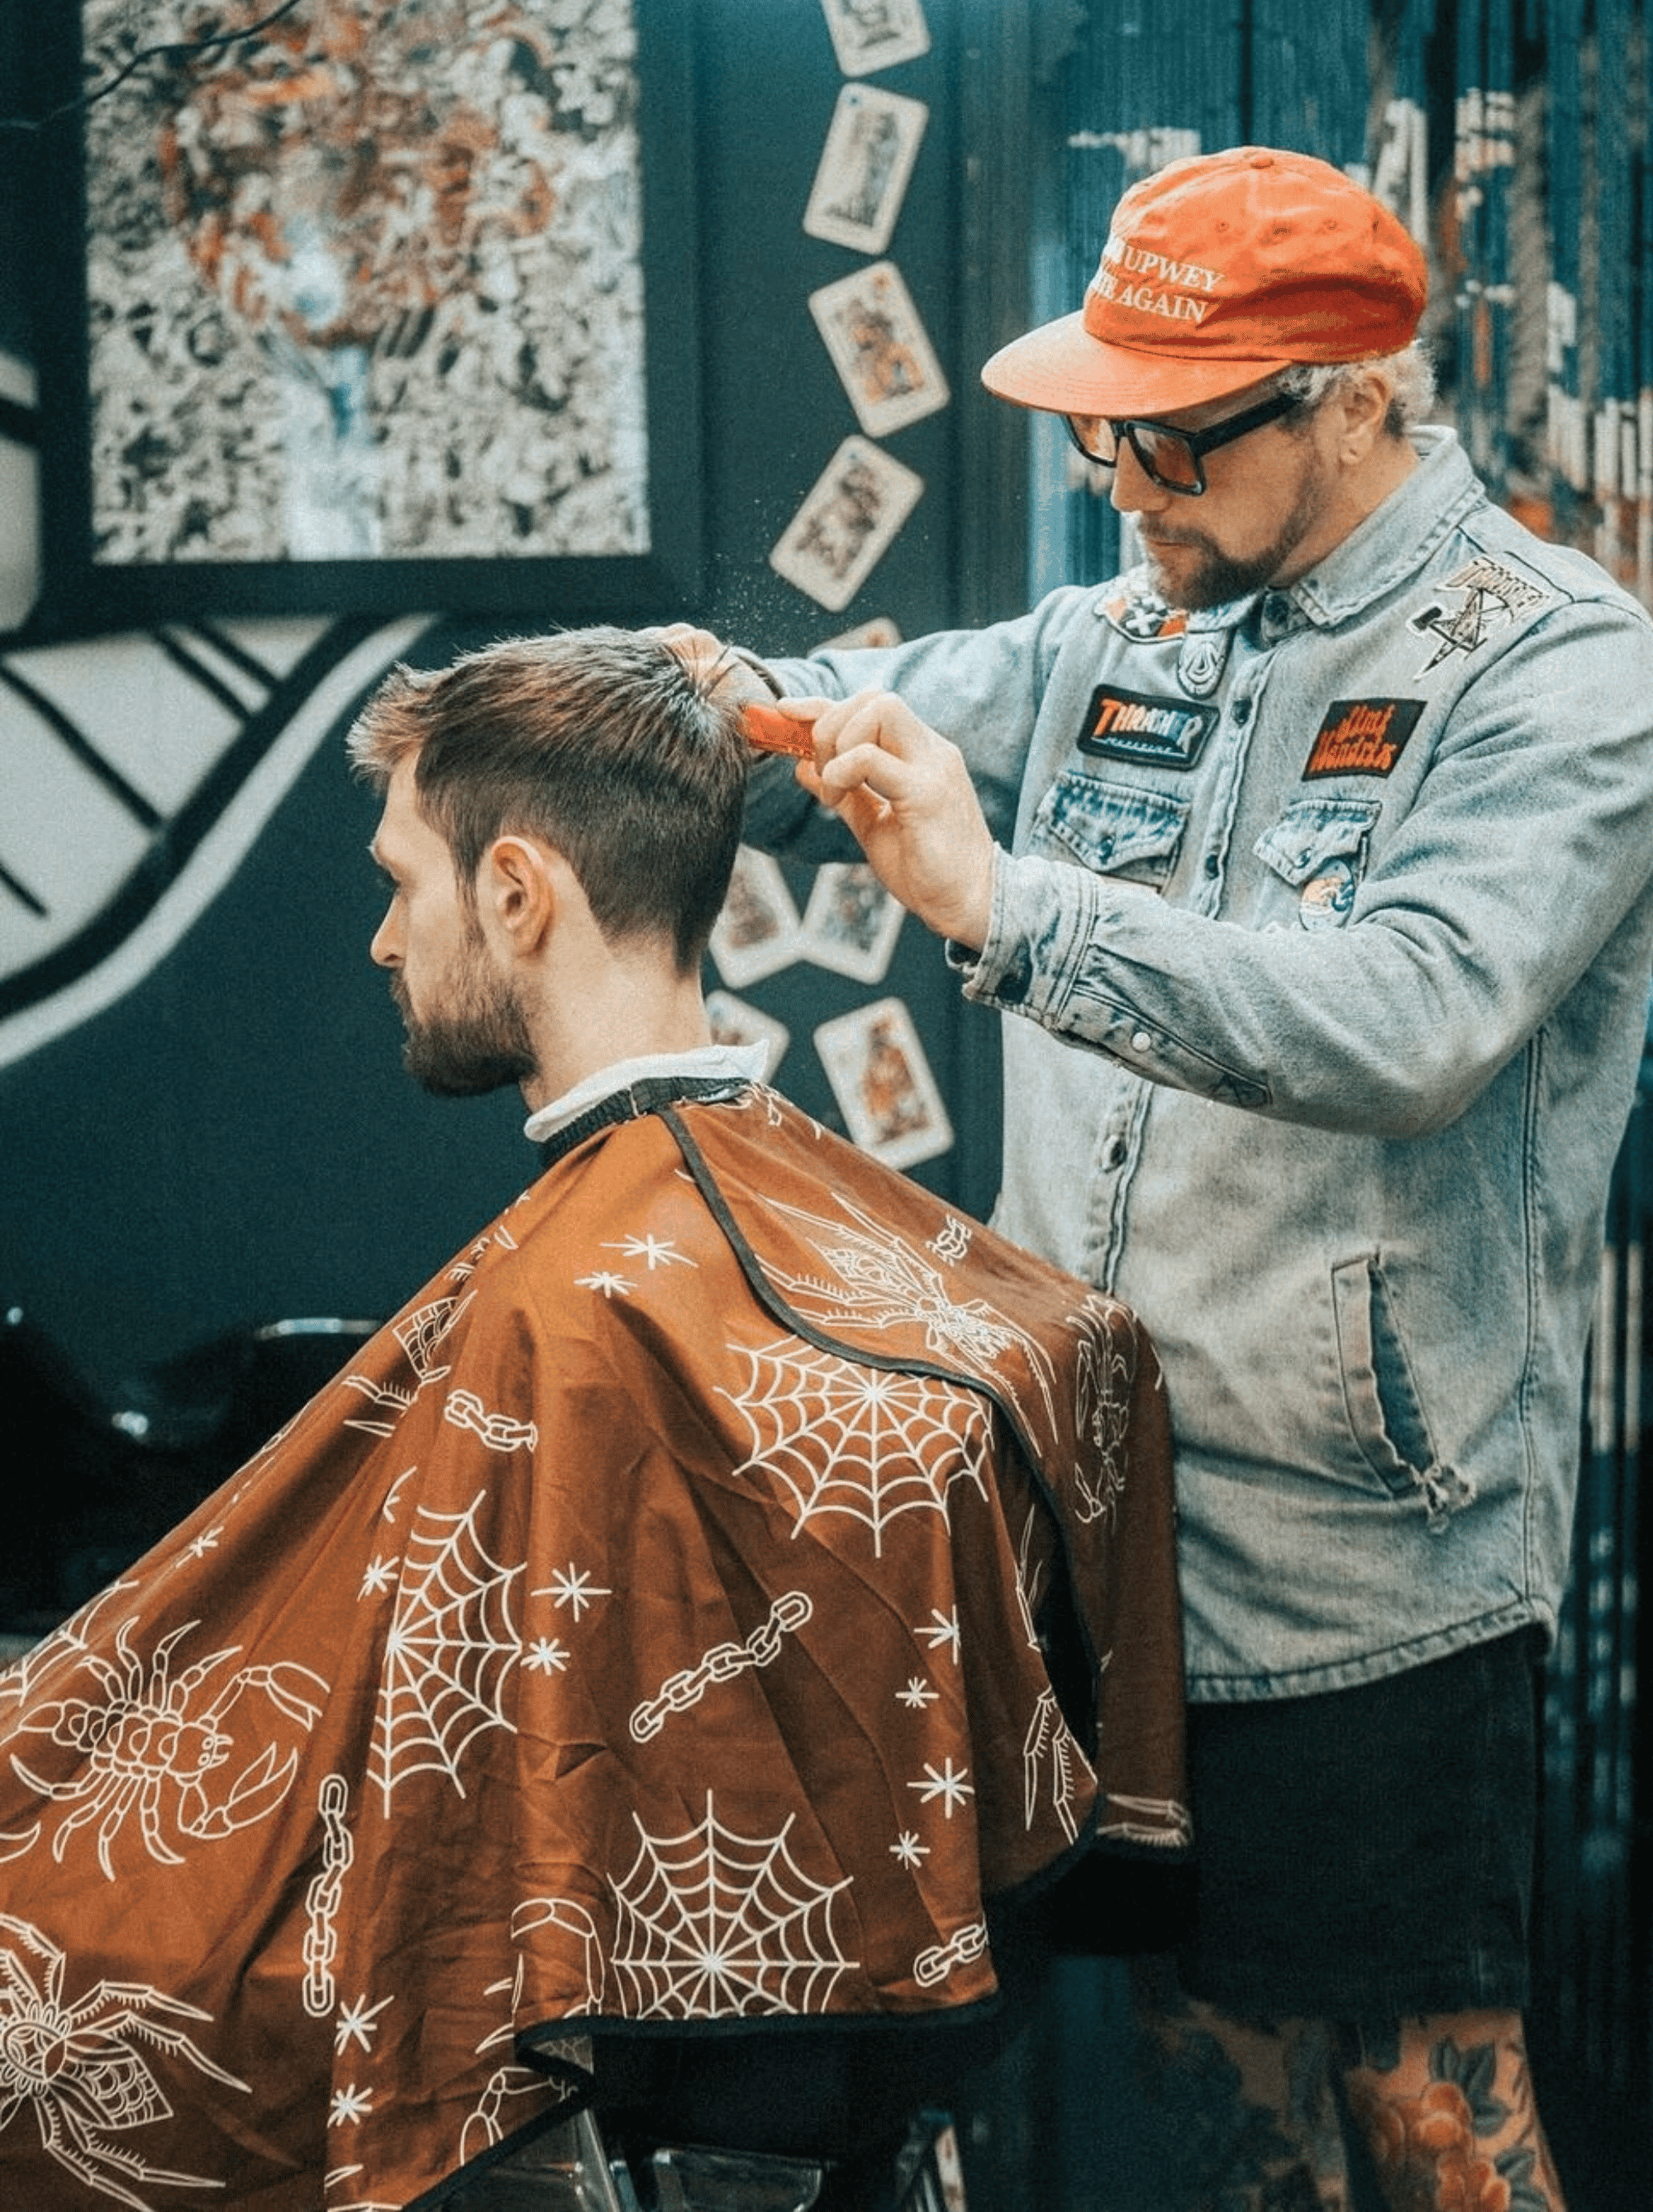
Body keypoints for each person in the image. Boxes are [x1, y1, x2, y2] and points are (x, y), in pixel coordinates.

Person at [667, 145, 1653, 2212]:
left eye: (1172, 438)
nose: (1124, 483)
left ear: (1351, 399)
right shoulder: (1132, 620)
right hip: (1104, 1529)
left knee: (1424, 2104)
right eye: (1100, 431)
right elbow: (848, 718)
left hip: (1367, 1554)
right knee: (1214, 2082)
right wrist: (679, 707)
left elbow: (1409, 1021)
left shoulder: (1557, 667)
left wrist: (1003, 906)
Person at [0, 628, 1186, 2212]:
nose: (382, 940)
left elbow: (427, 1854)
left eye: (400, 884)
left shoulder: (572, 1319)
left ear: (515, 893)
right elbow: (1093, 1355)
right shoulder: (826, 1240)